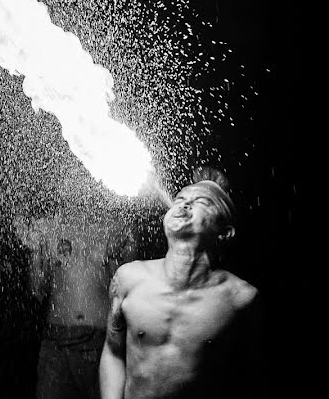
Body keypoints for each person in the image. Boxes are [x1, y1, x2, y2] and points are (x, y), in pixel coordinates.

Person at [98, 168, 264, 399]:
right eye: (180, 199)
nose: (185, 205)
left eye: (202, 202)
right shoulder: (129, 278)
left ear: (225, 232)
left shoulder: (241, 299)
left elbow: (251, 378)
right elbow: (113, 351)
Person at [14, 194, 139, 399]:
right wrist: (35, 252)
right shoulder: (49, 227)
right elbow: (37, 290)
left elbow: (130, 291)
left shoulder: (118, 225)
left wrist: (115, 255)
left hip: (103, 343)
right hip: (57, 345)